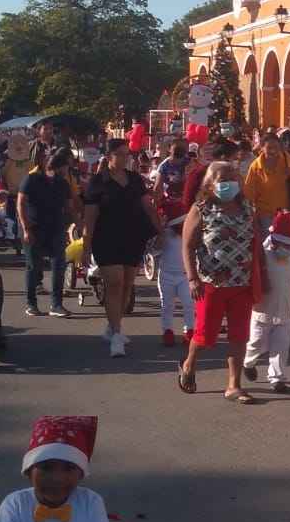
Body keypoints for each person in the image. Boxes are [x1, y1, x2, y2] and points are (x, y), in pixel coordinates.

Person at [177, 161, 259, 402]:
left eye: (232, 177)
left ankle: (234, 385)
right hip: (210, 282)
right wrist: (192, 278)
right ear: (210, 184)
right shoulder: (200, 209)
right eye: (223, 179)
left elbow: (255, 242)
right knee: (205, 335)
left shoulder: (246, 207)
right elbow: (188, 246)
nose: (229, 183)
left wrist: (261, 273)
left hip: (242, 283)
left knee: (239, 335)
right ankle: (189, 364)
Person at [81, 139, 159, 359]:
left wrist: (160, 231)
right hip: (106, 239)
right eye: (120, 154)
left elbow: (148, 207)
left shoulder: (134, 179)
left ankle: (113, 324)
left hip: (133, 237)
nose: (125, 158)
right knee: (114, 283)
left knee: (127, 285)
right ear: (108, 157)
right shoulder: (98, 182)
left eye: (127, 154)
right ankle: (116, 335)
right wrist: (86, 247)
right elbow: (89, 218)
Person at [242, 212, 290, 394]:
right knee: (257, 343)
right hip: (262, 310)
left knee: (281, 345)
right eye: (287, 244)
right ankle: (248, 362)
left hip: (284, 312)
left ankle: (278, 378)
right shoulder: (263, 257)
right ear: (276, 241)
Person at [19, 148, 77, 318]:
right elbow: (21, 204)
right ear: (49, 169)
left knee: (59, 265)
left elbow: (70, 208)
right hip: (34, 228)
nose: (62, 176)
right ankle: (31, 303)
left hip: (56, 229)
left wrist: (83, 225)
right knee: (33, 266)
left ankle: (57, 304)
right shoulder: (31, 180)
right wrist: (25, 228)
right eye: (59, 172)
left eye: (65, 173)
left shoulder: (62, 184)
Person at [155, 191, 193, 348]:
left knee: (189, 303)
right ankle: (167, 331)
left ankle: (190, 330)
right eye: (183, 223)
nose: (186, 225)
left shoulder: (190, 234)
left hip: (185, 275)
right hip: (166, 274)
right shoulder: (163, 234)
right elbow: (152, 251)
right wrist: (157, 242)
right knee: (167, 304)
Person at [243, 131, 290, 234]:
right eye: (269, 147)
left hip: (285, 212)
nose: (273, 150)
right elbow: (249, 194)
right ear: (262, 147)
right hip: (265, 215)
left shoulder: (285, 159)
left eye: (276, 147)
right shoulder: (256, 167)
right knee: (268, 245)